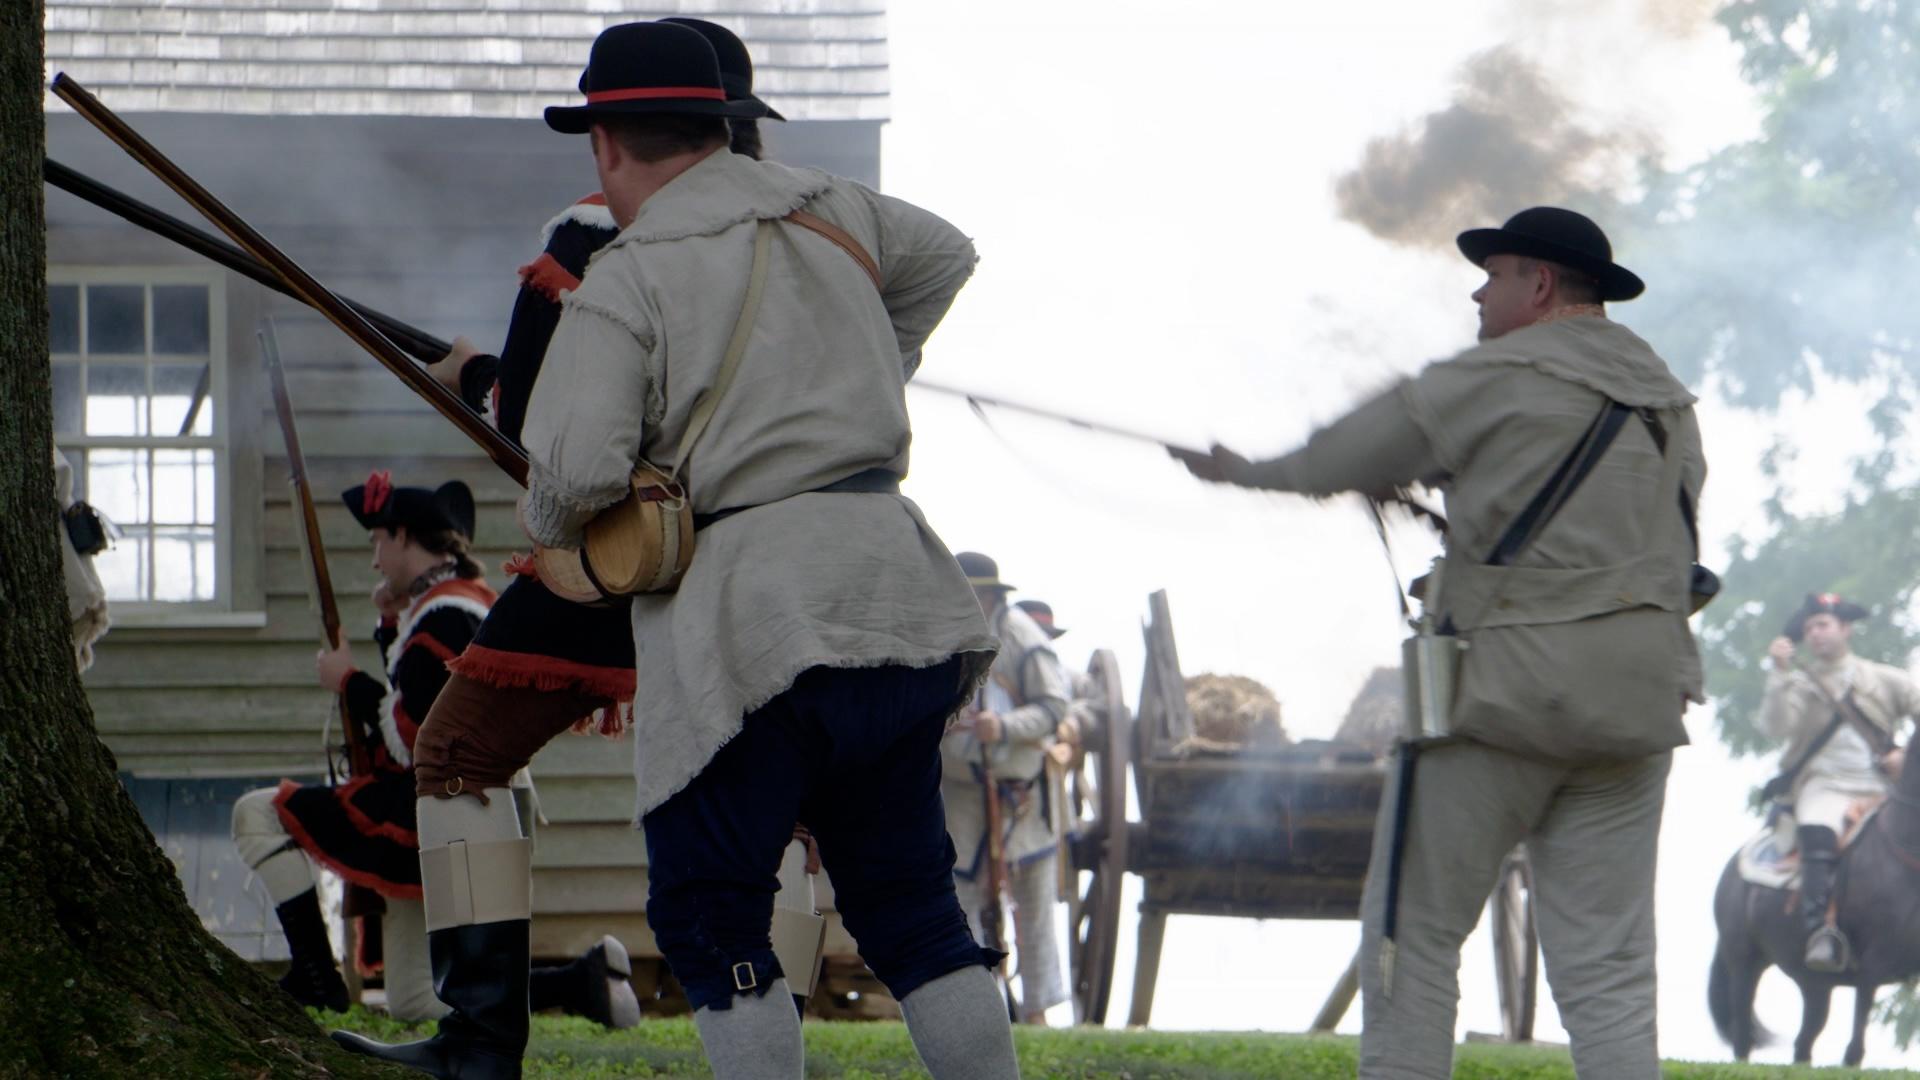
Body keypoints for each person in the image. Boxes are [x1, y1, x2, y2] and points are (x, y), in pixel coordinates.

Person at [336, 22, 1016, 1080]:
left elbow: (563, 479)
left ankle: (477, 1046)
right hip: (892, 589)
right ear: (726, 126)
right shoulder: (836, 213)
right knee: (918, 914)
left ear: (605, 145)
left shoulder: (622, 262)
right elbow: (948, 256)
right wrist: (861, 368)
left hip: (740, 609)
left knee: (702, 914)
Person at [1177, 206, 1704, 1079]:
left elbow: (1331, 460)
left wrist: (1241, 470)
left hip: (1505, 698)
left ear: (1539, 285)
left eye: (1494, 273)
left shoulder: (1497, 374)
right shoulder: (1669, 406)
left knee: (1408, 941)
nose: (1478, 290)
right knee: (1609, 973)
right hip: (1638, 707)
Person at [413, 15, 828, 1015]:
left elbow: (539, 420)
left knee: (453, 755)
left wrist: (475, 377)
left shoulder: (595, 233)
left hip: (615, 564)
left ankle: (479, 1030)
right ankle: (794, 1007)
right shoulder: (804, 239)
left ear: (617, 135)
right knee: (791, 802)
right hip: (770, 562)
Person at [229, 475, 634, 1027]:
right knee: (417, 1001)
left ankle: (316, 976)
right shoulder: (450, 606)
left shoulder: (444, 615)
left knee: (256, 812)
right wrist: (388, 622)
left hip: (459, 804)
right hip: (474, 803)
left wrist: (350, 681)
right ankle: (579, 983)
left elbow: (417, 735)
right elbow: (420, 695)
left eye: (378, 541)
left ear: (402, 536)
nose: (374, 559)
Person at [1759, 592, 1918, 972]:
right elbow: (1775, 726)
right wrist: (1779, 674)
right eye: (1809, 628)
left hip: (1882, 788)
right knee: (1817, 826)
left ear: (1844, 629)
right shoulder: (1797, 685)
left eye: (1823, 625)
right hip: (1824, 786)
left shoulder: (1880, 677)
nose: (1815, 634)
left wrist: (1906, 757)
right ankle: (1820, 931)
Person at [944, 559, 1071, 1025]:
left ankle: (1037, 1011)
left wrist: (1005, 727)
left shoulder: (1024, 638)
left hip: (1022, 798)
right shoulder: (938, 631)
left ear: (993, 597)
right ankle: (976, 1011)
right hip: (959, 796)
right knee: (959, 904)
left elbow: (1055, 707)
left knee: (1033, 903)